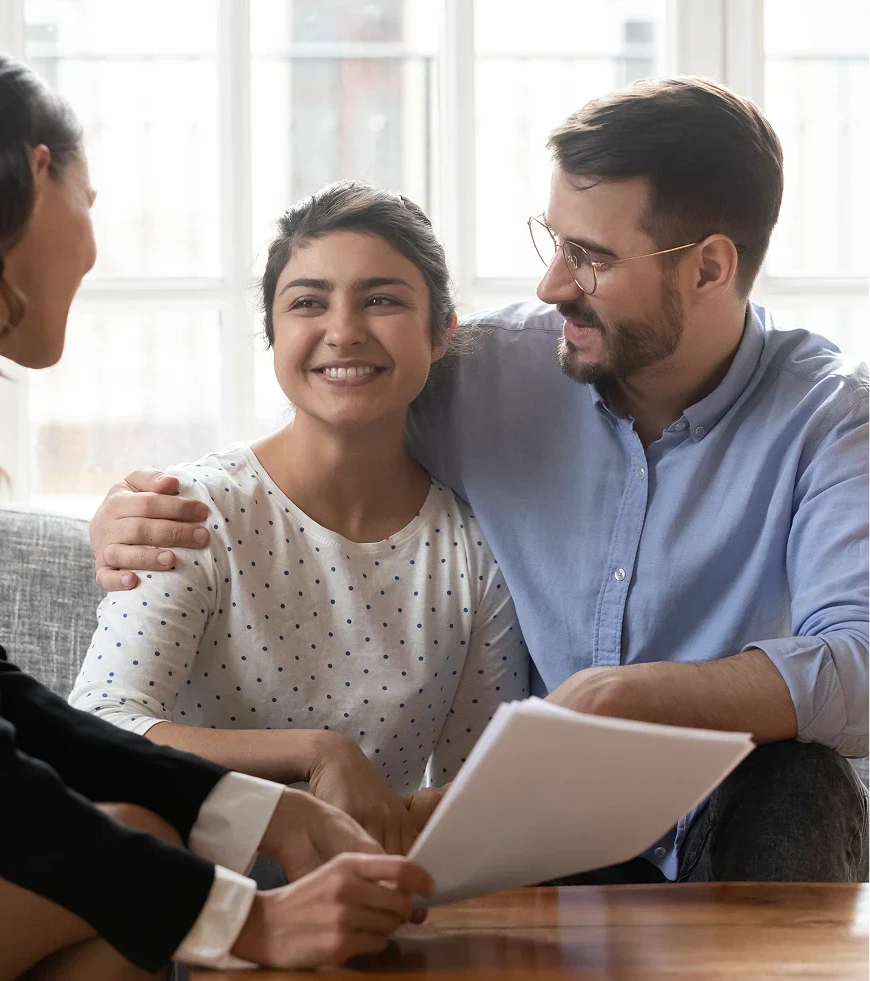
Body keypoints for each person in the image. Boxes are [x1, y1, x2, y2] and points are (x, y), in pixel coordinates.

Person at [90, 76, 870, 884]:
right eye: (553, 241)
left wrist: (626, 697)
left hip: (728, 807)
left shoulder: (829, 418)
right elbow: (333, 405)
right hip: (542, 826)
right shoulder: (484, 373)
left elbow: (862, 661)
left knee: (800, 780)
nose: (552, 284)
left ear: (709, 267)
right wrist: (126, 508)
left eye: (591, 258)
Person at [0, 44, 433, 981]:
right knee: (145, 861)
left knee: (140, 834)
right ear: (37, 175)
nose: (94, 246)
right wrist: (256, 925)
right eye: (91, 207)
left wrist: (258, 808)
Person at [68, 182, 530, 860]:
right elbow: (97, 727)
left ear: (440, 335)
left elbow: (470, 787)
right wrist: (314, 754)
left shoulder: (473, 550)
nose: (342, 330)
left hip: (368, 894)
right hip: (174, 882)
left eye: (382, 299)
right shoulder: (195, 511)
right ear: (274, 334)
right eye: (308, 302)